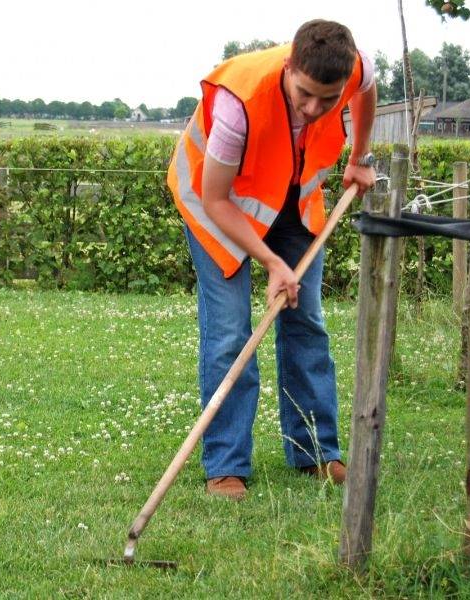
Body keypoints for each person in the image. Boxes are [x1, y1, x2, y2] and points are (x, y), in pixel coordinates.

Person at [167, 19, 377, 500]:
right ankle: (226, 465)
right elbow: (217, 199)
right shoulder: (238, 104)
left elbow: (367, 89)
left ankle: (317, 453)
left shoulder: (355, 67)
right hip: (216, 207)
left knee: (307, 321)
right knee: (230, 333)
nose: (314, 108)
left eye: (328, 99)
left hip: (292, 201)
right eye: (305, 94)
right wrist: (271, 263)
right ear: (289, 67)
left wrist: (359, 156)